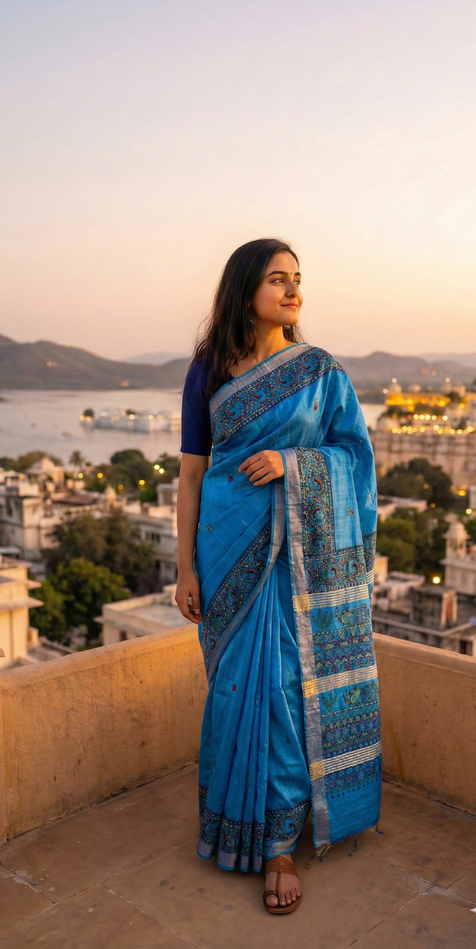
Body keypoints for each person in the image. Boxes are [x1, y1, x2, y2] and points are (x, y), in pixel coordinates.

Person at [176, 238, 382, 915]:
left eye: (297, 279)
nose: (293, 290)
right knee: (234, 689)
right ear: (245, 291)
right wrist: (183, 567)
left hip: (296, 556)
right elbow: (191, 474)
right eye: (276, 279)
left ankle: (279, 844)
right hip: (224, 546)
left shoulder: (319, 371)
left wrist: (291, 464)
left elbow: (354, 456)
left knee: (286, 690)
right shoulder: (207, 370)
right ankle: (230, 823)